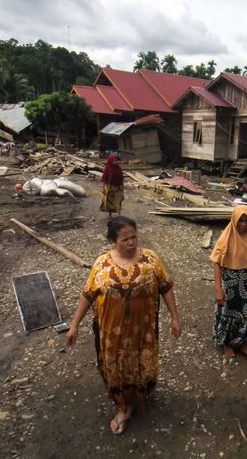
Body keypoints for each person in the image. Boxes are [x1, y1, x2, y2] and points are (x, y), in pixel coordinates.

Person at [66, 216, 181, 435]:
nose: (131, 243)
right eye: (125, 239)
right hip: (112, 336)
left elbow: (166, 287)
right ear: (113, 241)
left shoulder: (151, 260)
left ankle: (141, 394)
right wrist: (74, 325)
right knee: (117, 370)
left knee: (142, 365)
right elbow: (87, 295)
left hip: (143, 332)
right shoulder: (102, 264)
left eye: (134, 237)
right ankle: (125, 407)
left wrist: (175, 317)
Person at [210, 205, 247, 361]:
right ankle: (226, 343)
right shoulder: (227, 237)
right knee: (228, 313)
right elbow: (217, 263)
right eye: (240, 221)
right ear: (234, 220)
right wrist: (218, 288)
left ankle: (244, 344)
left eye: (246, 221)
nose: (243, 225)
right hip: (231, 285)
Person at [100, 153, 124, 219]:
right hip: (109, 187)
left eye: (116, 160)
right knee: (109, 201)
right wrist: (103, 188)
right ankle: (110, 215)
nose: (115, 162)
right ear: (110, 161)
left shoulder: (118, 168)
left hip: (118, 187)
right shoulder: (107, 169)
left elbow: (121, 177)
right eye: (114, 160)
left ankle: (119, 215)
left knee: (118, 200)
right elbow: (105, 179)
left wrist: (122, 187)